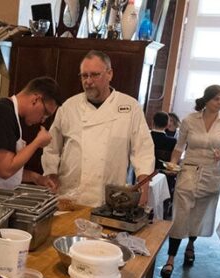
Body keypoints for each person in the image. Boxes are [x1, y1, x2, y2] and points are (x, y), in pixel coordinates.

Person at [42, 50, 155, 207]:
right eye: (84, 75)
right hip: (69, 196)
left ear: (109, 74)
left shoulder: (130, 107)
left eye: (94, 75)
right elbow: (51, 147)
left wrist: (144, 186)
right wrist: (51, 174)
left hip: (110, 199)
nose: (88, 81)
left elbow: (143, 151)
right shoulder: (69, 107)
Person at [159, 85, 220, 278]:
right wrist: (173, 164)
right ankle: (170, 258)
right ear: (207, 99)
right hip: (189, 171)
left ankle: (191, 245)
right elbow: (179, 147)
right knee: (180, 215)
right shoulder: (189, 120)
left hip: (212, 172)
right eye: (217, 99)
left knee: (199, 214)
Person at [0, 76, 62, 189]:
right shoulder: (0, 113)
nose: (43, 120)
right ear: (35, 100)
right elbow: (5, 170)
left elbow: (1, 169)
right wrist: (37, 142)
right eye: (45, 113)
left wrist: (35, 177)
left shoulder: (11, 115)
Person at [150, 111, 178, 219]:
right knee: (164, 200)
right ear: (167, 125)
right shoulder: (172, 141)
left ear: (152, 122)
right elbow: (173, 162)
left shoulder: (146, 136)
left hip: (144, 173)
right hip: (164, 176)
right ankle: (163, 215)